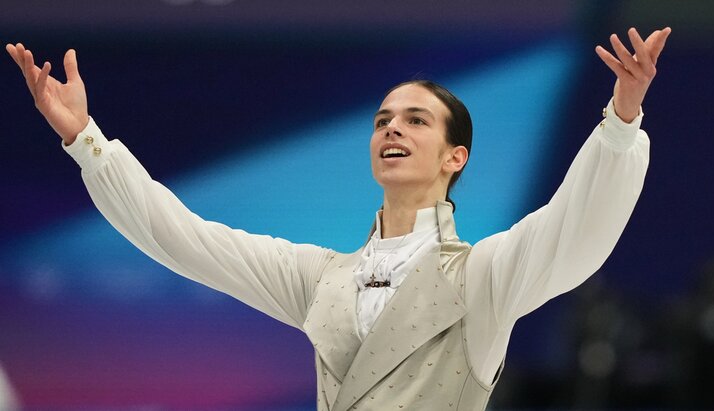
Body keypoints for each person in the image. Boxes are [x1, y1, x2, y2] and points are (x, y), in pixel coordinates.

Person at [5, 26, 671, 411]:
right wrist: (85, 140)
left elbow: (574, 232)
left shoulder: (484, 275)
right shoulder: (322, 277)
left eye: (416, 120)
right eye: (383, 120)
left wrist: (621, 121)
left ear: (455, 156)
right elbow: (182, 238)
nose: (393, 129)